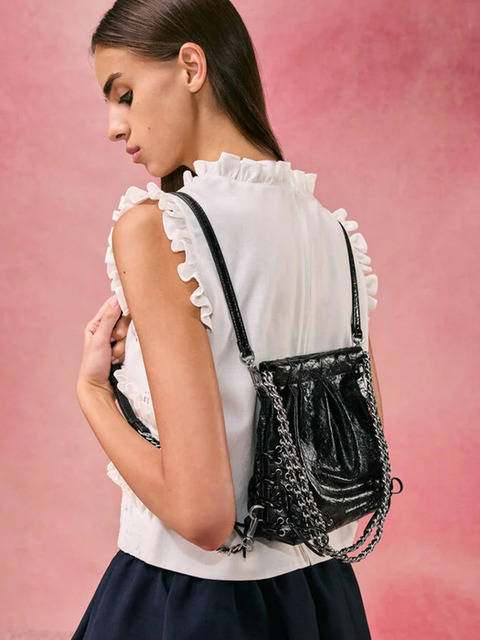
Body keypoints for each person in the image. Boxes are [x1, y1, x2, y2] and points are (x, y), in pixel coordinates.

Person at [73, 0, 381, 638]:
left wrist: (95, 393)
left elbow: (203, 517)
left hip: (192, 606)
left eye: (124, 94)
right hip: (322, 602)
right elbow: (359, 459)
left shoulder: (162, 230)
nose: (114, 126)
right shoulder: (336, 236)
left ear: (191, 67)